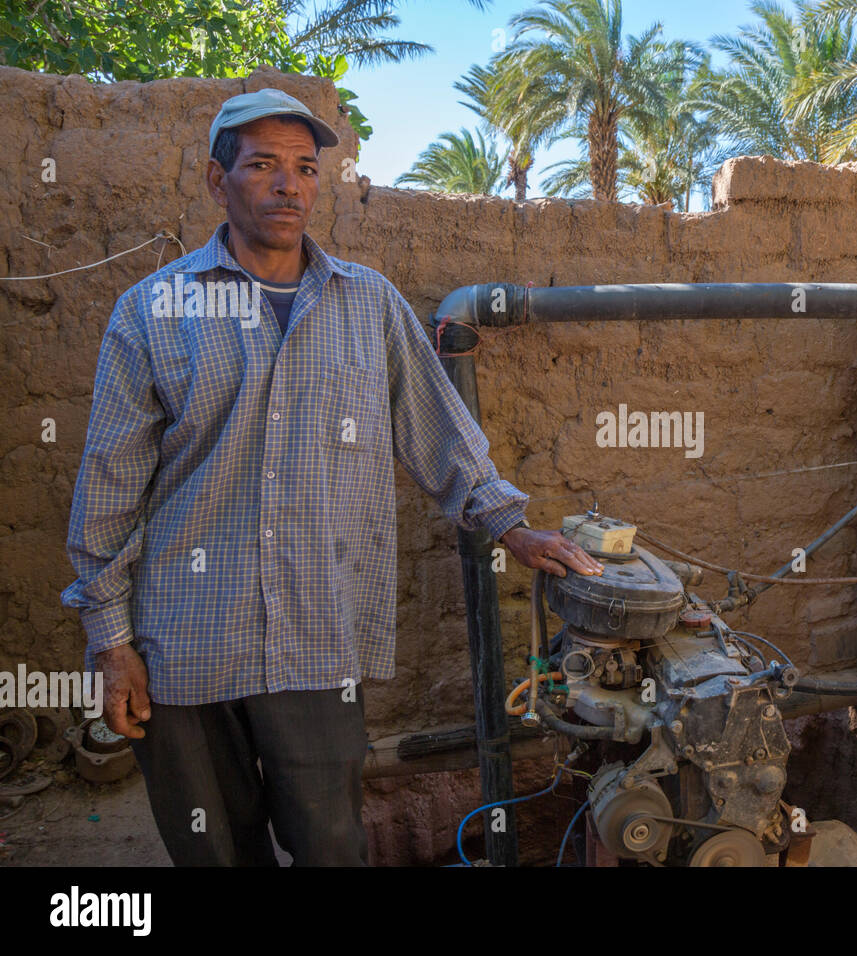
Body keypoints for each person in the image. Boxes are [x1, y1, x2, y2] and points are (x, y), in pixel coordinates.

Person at [61, 88, 602, 866]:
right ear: (219, 182)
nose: (288, 185)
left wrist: (510, 527)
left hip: (314, 637)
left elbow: (438, 431)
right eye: (263, 166)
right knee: (213, 851)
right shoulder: (152, 311)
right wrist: (111, 642)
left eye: (306, 168)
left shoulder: (367, 304)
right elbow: (108, 489)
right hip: (181, 645)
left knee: (331, 845)